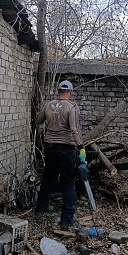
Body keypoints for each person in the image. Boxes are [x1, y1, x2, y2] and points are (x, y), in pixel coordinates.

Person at [35, 80, 86, 229]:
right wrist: (81, 147)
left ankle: (41, 208)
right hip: (66, 149)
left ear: (58, 91)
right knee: (68, 183)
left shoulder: (49, 105)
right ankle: (66, 219)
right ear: (70, 92)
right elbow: (75, 130)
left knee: (47, 179)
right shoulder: (72, 107)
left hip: (50, 148)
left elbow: (38, 121)